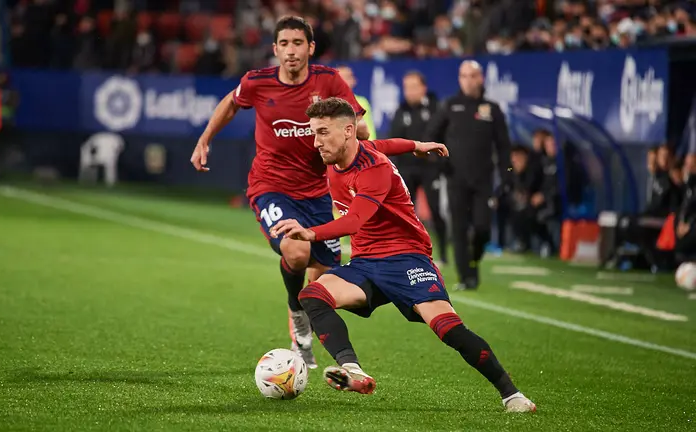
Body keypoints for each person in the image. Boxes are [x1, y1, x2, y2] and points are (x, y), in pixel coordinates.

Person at [270, 97, 536, 413]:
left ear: (349, 131)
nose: (316, 143)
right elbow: (384, 143)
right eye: (314, 133)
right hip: (366, 263)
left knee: (448, 329)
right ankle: (353, 371)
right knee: (313, 296)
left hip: (407, 259)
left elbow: (355, 220)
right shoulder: (347, 153)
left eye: (323, 133)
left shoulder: (375, 169)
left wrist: (311, 232)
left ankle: (513, 396)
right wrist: (415, 144)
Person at [191, 16, 378, 369]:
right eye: (284, 44)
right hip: (271, 188)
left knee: (321, 278)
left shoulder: (329, 80)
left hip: (318, 192)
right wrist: (204, 140)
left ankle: (303, 322)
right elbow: (231, 103)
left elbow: (356, 122)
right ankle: (296, 314)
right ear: (275, 49)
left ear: (310, 47)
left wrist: (358, 132)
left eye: (297, 43)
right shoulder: (258, 82)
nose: (290, 51)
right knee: (295, 250)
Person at [424, 60, 513, 290]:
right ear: (459, 79)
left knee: (483, 227)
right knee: (459, 228)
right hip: (456, 178)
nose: (469, 80)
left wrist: (507, 175)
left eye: (473, 75)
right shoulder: (450, 106)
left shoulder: (492, 109)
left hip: (483, 179)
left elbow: (504, 146)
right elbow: (431, 137)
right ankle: (467, 277)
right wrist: (439, 165)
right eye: (464, 76)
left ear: (481, 78)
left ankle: (475, 258)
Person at [390, 70, 449, 264]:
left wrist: (439, 163)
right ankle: (407, 251)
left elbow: (444, 136)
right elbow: (393, 139)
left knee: (435, 210)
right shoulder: (401, 110)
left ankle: (443, 253)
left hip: (430, 169)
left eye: (414, 87)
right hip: (407, 169)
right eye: (406, 87)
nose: (410, 92)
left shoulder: (435, 108)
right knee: (405, 212)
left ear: (423, 88)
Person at [335, 65, 376, 139]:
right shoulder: (327, 104)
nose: (342, 82)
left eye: (348, 77)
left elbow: (369, 132)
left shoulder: (362, 102)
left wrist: (369, 148)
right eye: (339, 78)